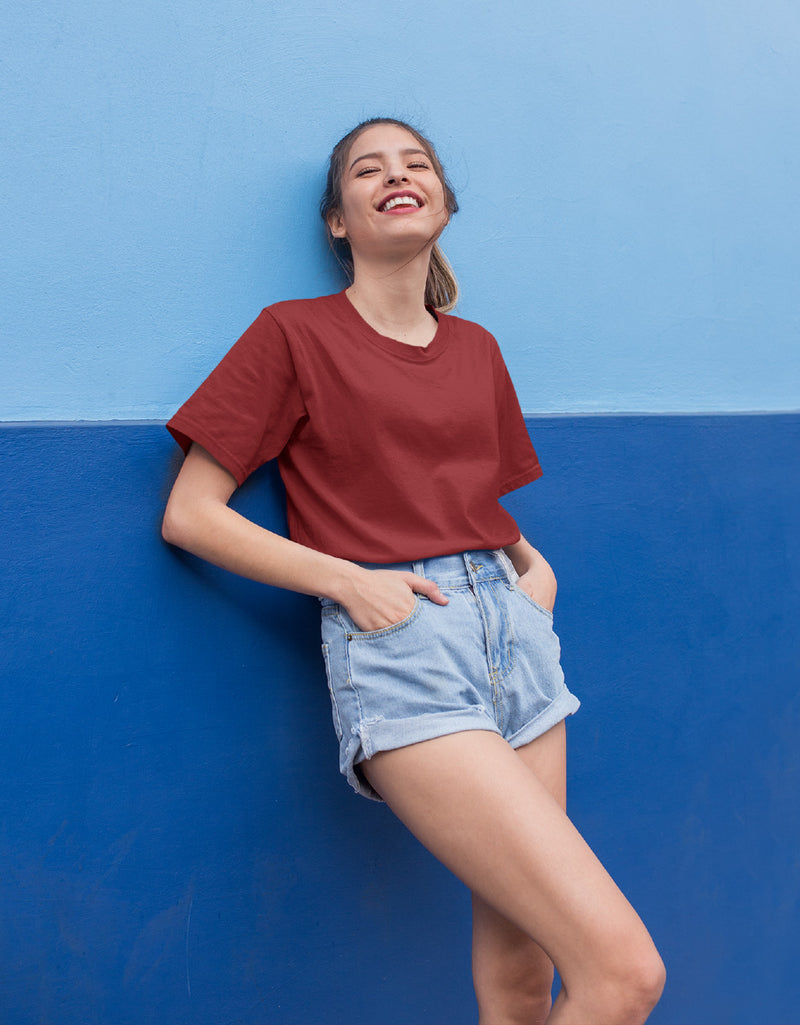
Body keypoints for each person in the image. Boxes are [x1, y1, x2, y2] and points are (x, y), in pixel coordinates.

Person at [162, 117, 665, 1024]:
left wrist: (533, 571)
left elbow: (470, 502)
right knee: (625, 974)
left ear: (444, 201)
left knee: (524, 975)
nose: (396, 175)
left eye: (415, 163)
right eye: (369, 169)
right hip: (406, 647)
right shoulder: (293, 334)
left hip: (516, 639)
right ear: (338, 220)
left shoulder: (477, 348)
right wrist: (348, 580)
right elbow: (190, 514)